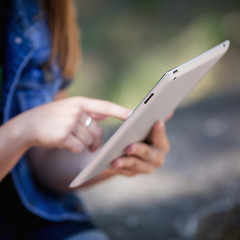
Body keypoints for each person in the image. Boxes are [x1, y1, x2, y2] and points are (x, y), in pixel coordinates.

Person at [0, 0, 171, 239]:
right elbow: (28, 130)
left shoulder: (38, 9)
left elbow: (41, 162)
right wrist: (22, 131)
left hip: (42, 220)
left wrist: (114, 159)